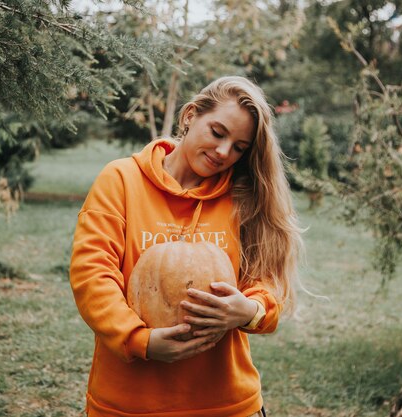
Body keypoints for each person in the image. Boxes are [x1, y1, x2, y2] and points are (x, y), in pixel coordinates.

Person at [69, 76, 302, 417]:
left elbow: (268, 286)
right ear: (191, 115)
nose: (224, 152)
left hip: (226, 404)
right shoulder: (120, 180)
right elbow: (92, 276)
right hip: (129, 404)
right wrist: (141, 341)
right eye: (217, 133)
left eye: (239, 147)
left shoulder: (243, 198)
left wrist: (248, 311)